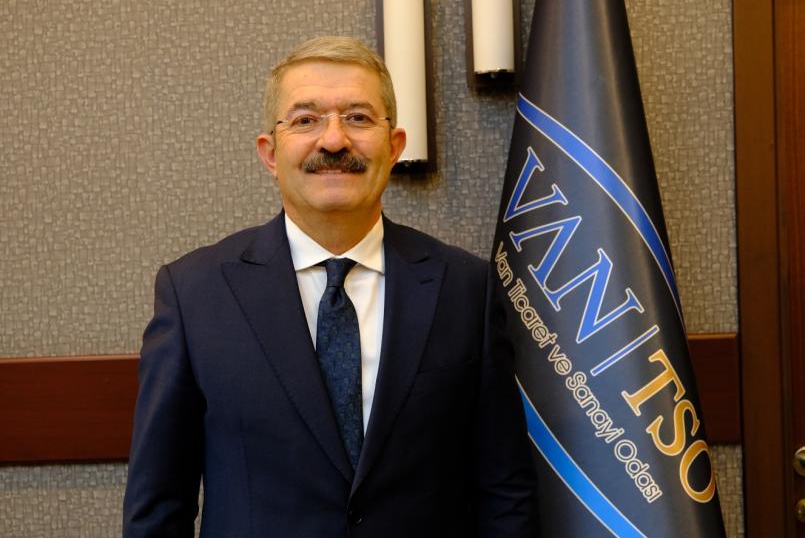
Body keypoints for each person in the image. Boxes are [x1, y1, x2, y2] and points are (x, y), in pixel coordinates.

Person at [123, 36, 537, 538]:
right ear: (270, 153)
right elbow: (158, 506)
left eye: (358, 118)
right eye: (306, 120)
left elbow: (504, 491)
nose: (335, 141)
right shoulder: (194, 294)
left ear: (395, 146)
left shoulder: (466, 289)